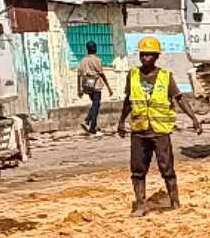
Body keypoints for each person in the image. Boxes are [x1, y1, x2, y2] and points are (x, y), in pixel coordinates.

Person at [115, 37, 202, 217]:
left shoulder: (165, 76)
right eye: (143, 54)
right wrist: (121, 121)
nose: (145, 58)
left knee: (167, 168)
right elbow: (128, 101)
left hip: (160, 131)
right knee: (138, 170)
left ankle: (175, 201)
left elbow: (179, 98)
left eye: (149, 55)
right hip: (139, 131)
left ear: (156, 57)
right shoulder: (132, 75)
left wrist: (194, 118)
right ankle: (140, 205)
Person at [76, 42, 108, 136]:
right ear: (95, 49)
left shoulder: (82, 61)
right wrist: (108, 87)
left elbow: (78, 75)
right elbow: (101, 74)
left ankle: (91, 125)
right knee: (96, 105)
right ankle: (89, 123)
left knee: (95, 105)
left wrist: (79, 89)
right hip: (96, 85)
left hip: (87, 85)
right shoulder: (98, 60)